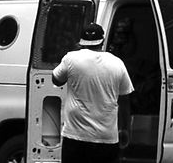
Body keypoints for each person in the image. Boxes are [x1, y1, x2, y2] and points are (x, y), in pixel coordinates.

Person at [50, 22, 133, 163]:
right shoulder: (118, 63)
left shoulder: (71, 58)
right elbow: (124, 100)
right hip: (107, 139)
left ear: (81, 41)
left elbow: (56, 80)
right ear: (103, 41)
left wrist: (75, 53)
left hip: (75, 137)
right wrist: (124, 129)